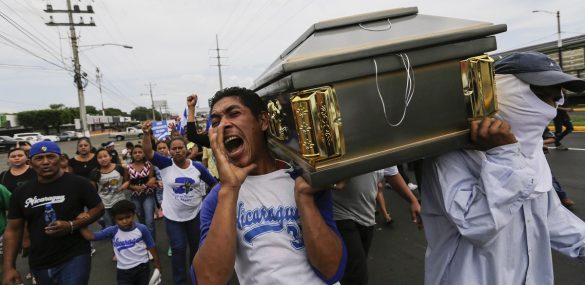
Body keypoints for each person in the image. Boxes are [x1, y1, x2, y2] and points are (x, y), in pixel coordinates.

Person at [420, 51, 585, 285]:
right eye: (541, 95)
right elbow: (477, 225)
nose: (550, 108)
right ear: (502, 91)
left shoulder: (531, 151)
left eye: (555, 98)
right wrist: (504, 155)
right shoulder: (451, 154)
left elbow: (550, 217)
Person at [193, 87, 346, 285]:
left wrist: (304, 199)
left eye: (234, 113)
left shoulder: (304, 181)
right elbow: (208, 280)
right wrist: (229, 189)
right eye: (215, 122)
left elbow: (332, 269)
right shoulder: (218, 199)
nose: (224, 124)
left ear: (263, 121)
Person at [3, 141, 104, 285]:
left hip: (75, 255)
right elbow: (13, 230)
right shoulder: (21, 193)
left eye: (51, 157)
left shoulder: (79, 183)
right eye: (39, 158)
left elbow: (98, 208)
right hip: (40, 260)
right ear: (30, 163)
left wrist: (72, 225)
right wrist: (9, 268)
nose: (45, 162)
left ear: (60, 159)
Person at [141, 123, 217, 285]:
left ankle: (196, 277)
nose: (177, 150)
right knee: (178, 249)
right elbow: (148, 152)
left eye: (180, 147)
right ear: (169, 151)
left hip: (195, 215)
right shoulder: (165, 164)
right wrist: (147, 134)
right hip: (173, 218)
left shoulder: (197, 167)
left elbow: (214, 185)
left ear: (186, 150)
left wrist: (212, 205)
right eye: (173, 148)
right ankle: (180, 281)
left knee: (197, 250)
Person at [332, 169, 420, 284]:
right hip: (340, 214)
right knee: (357, 274)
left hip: (367, 216)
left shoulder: (379, 150)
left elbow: (392, 173)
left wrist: (413, 201)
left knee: (352, 266)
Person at [79, 200, 161, 285]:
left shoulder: (142, 229)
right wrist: (79, 223)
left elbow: (151, 246)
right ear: (114, 219)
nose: (125, 221)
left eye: (128, 217)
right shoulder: (112, 231)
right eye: (120, 219)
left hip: (142, 267)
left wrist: (158, 265)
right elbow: (91, 236)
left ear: (133, 214)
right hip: (123, 271)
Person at [123, 145, 157, 242]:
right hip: (135, 197)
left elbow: (152, 179)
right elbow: (126, 183)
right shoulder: (127, 168)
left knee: (150, 221)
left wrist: (146, 185)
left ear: (143, 153)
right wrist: (134, 187)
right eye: (135, 153)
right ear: (132, 155)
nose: (137, 154)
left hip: (148, 195)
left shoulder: (149, 165)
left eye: (140, 152)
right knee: (142, 222)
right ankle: (145, 242)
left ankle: (151, 244)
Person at [89, 148, 127, 228]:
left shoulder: (119, 168)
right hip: (104, 204)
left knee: (122, 224)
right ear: (97, 160)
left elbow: (128, 180)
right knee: (109, 225)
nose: (103, 159)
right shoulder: (95, 172)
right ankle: (113, 240)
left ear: (110, 157)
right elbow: (92, 190)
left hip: (119, 201)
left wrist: (124, 185)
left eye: (105, 156)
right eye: (100, 157)